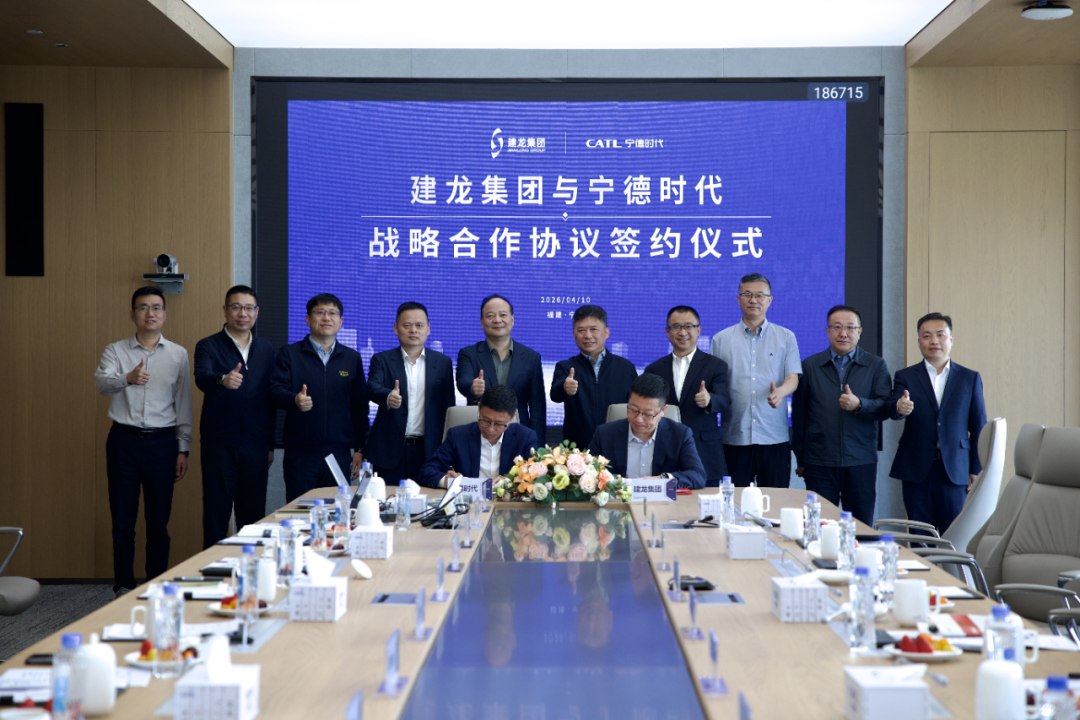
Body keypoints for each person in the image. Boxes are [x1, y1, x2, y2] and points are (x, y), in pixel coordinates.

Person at [94, 286, 193, 595]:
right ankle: (124, 585)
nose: (150, 313)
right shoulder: (115, 350)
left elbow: (183, 403)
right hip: (123, 441)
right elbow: (102, 384)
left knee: (158, 522)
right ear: (132, 314)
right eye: (143, 307)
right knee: (123, 520)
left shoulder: (178, 354)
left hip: (163, 443)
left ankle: (155, 585)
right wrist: (128, 378)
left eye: (156, 307)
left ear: (164, 314)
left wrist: (183, 447)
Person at [791, 305, 892, 525]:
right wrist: (801, 459)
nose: (843, 333)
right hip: (819, 462)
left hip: (860, 461)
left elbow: (886, 407)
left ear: (859, 331)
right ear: (827, 331)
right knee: (819, 526)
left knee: (860, 527)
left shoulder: (875, 365)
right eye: (836, 327)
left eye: (850, 327)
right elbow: (799, 417)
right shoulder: (810, 366)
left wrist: (860, 404)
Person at [193, 285, 276, 548]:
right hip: (219, 444)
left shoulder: (266, 348)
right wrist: (222, 380)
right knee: (216, 517)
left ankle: (250, 569)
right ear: (225, 310)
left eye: (249, 308)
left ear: (257, 312)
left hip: (256, 445)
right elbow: (202, 377)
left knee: (252, 520)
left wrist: (270, 445)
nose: (243, 313)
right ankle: (213, 569)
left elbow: (271, 398)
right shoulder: (208, 345)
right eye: (236, 307)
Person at [888, 312, 987, 533]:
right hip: (916, 468)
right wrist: (899, 408)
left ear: (951, 339)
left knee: (954, 535)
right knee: (920, 535)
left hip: (955, 469)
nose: (934, 341)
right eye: (927, 336)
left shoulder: (969, 378)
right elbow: (893, 408)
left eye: (940, 335)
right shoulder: (905, 376)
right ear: (919, 342)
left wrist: (975, 467)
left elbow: (979, 425)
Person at [269, 293, 369, 502]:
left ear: (340, 321)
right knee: (300, 512)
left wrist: (360, 449)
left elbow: (359, 406)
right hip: (301, 454)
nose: (326, 318)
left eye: (333, 313)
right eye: (320, 312)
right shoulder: (290, 354)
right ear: (308, 319)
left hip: (340, 454)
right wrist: (294, 399)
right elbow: (274, 391)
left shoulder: (352, 358)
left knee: (338, 512)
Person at [709, 273, 802, 488]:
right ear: (738, 299)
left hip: (774, 436)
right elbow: (716, 386)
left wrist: (780, 392)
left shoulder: (786, 337)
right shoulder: (721, 340)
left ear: (770, 300)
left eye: (760, 295)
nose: (753, 300)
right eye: (747, 295)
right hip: (734, 436)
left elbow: (793, 378)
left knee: (776, 500)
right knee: (735, 501)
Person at [365, 302, 456, 482]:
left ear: (428, 329)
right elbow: (372, 387)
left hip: (428, 451)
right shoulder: (382, 360)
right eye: (407, 325)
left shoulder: (443, 363)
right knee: (387, 499)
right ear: (396, 328)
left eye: (419, 325)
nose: (413, 330)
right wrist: (387, 396)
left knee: (428, 498)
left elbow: (448, 408)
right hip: (388, 450)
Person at [644, 305, 729, 485]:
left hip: (704, 452)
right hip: (665, 452)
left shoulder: (715, 365)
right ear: (667, 331)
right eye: (676, 327)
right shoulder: (654, 369)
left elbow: (725, 400)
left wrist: (709, 400)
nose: (683, 332)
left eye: (689, 326)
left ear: (699, 330)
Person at [587, 374, 706, 489]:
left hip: (660, 501)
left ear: (663, 410)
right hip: (618, 500)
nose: (638, 419)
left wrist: (663, 479)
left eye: (648, 414)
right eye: (633, 410)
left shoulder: (680, 434)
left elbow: (698, 475)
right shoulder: (604, 434)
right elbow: (587, 472)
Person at [456, 295, 547, 442]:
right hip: (481, 434)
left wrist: (537, 447)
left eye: (503, 315)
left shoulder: (531, 357)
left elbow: (537, 408)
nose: (497, 320)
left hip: (519, 437)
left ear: (512, 319)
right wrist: (473, 387)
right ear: (482, 322)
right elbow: (463, 381)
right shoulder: (469, 354)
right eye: (490, 316)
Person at [550, 305, 638, 449]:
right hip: (577, 450)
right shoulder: (566, 367)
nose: (588, 335)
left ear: (606, 332)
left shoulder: (626, 368)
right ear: (574, 334)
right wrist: (565, 388)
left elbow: (636, 405)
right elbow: (555, 395)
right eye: (581, 330)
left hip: (617, 446)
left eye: (594, 329)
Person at [419, 385, 538, 489]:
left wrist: (509, 482)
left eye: (499, 424)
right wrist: (445, 480)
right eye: (485, 421)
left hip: (506, 505)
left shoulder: (525, 437)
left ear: (512, 418)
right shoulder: (458, 435)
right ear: (479, 408)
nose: (490, 429)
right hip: (469, 503)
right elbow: (427, 471)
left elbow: (534, 477)